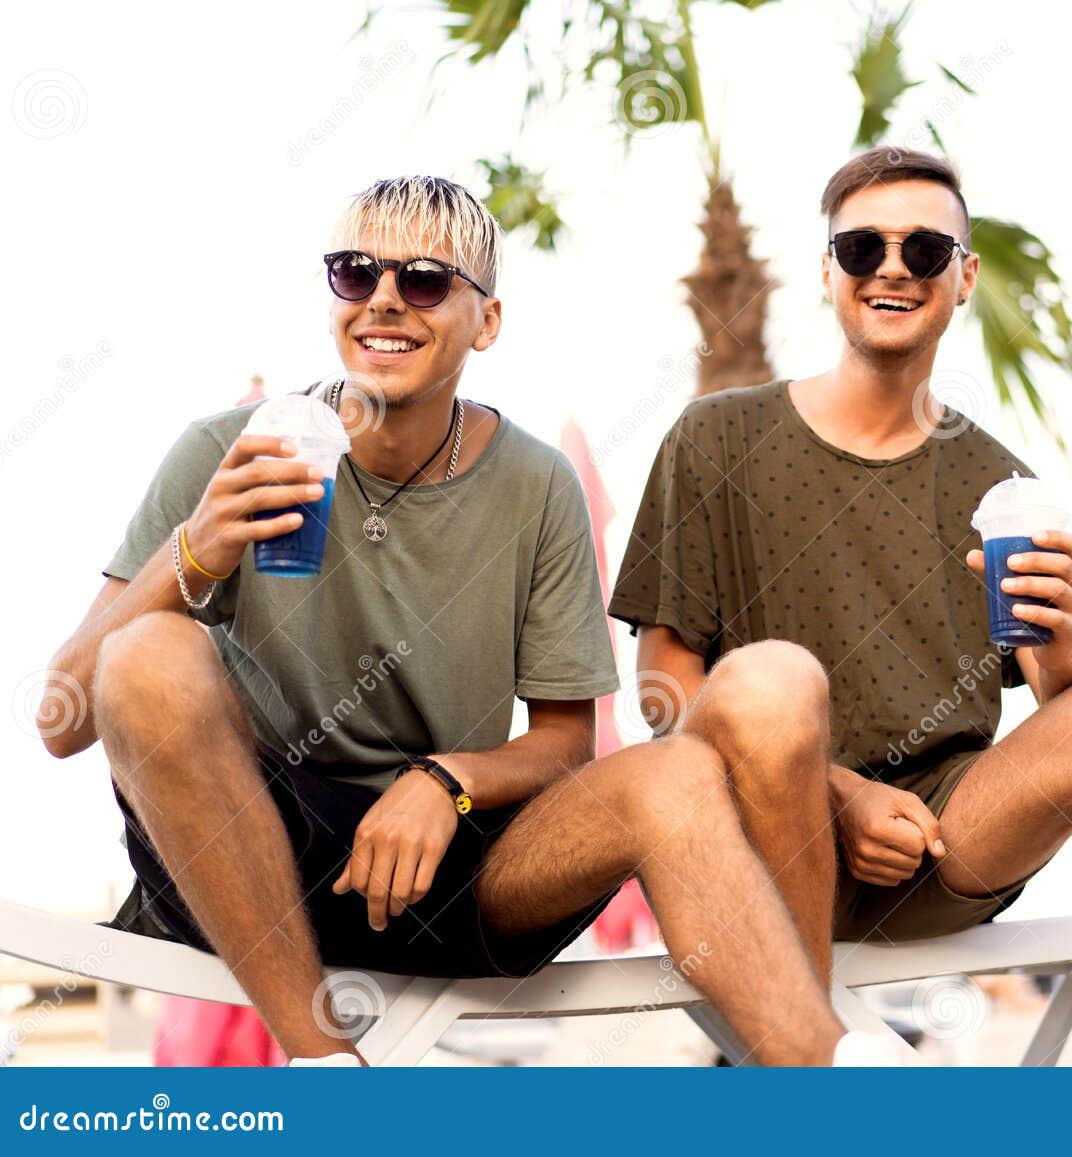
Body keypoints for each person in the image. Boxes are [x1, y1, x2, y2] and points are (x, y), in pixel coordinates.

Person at [39, 176, 884, 1067]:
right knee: (146, 651)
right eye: (355, 273)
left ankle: (830, 1081)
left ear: (485, 322)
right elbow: (64, 718)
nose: (385, 301)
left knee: (672, 776)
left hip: (452, 878)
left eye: (427, 279)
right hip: (249, 866)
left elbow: (566, 741)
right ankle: (327, 1069)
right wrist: (196, 551)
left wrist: (448, 782)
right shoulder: (229, 450)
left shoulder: (536, 484)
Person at [611, 147, 1072, 1066]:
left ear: (963, 277)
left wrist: (1061, 641)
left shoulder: (998, 483)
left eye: (926, 250)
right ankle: (808, 1075)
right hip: (759, 841)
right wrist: (837, 793)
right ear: (827, 272)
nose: (892, 267)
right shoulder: (715, 437)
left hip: (944, 840)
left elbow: (1067, 708)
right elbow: (662, 691)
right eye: (862, 248)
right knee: (774, 688)